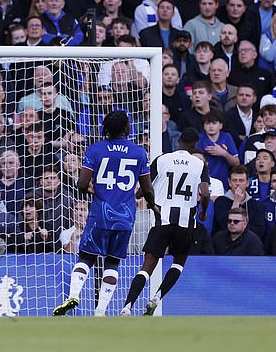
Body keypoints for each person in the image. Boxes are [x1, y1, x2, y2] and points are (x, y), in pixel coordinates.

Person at [52, 110, 158, 317]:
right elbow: (147, 189)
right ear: (126, 128)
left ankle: (73, 295)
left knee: (86, 258)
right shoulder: (139, 152)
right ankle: (101, 310)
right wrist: (153, 207)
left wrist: (94, 190)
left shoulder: (95, 150)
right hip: (125, 217)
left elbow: (82, 184)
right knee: (112, 262)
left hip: (100, 213)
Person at [120, 128, 210, 316]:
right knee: (178, 263)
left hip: (162, 219)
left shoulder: (162, 159)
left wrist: (146, 200)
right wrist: (203, 213)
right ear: (195, 145)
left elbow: (143, 189)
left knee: (147, 267)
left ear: (179, 142)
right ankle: (157, 297)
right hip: (186, 222)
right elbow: (205, 192)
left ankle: (127, 306)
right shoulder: (199, 164)